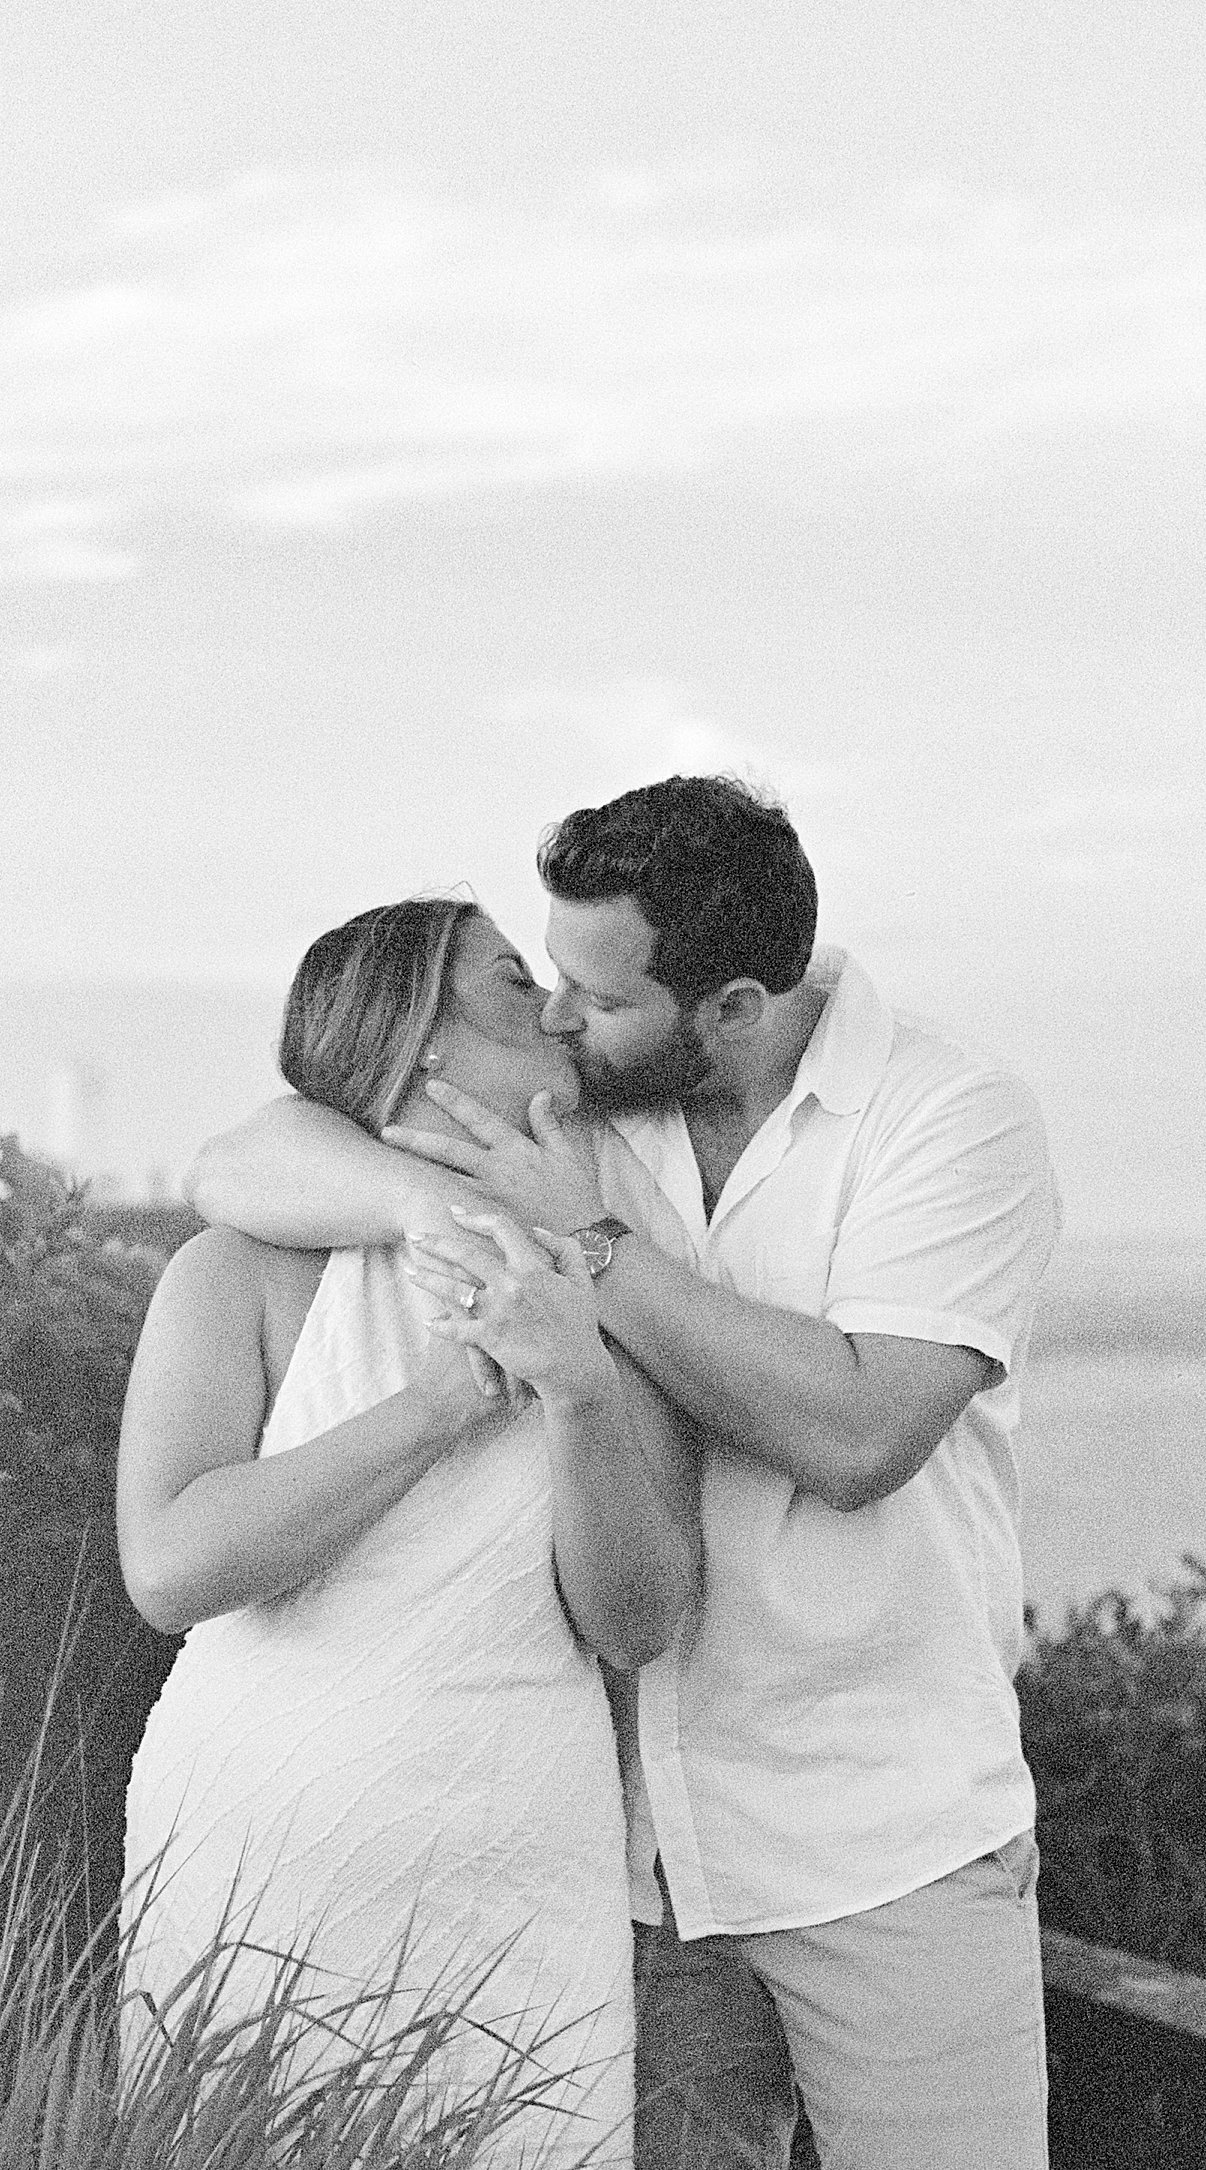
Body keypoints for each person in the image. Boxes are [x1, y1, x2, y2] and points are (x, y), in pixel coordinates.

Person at [186, 775, 1062, 2170]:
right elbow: (244, 1151)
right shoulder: (585, 1101)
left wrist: (587, 1237)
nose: (554, 1017)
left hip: (884, 1840)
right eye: (546, 976)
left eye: (595, 998)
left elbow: (857, 1438)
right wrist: (439, 1202)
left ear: (729, 1009)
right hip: (628, 1862)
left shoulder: (948, 1120)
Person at [118, 895, 702, 2169]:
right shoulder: (235, 1272)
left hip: (519, 1871)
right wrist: (437, 1406)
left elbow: (639, 1619)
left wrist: (582, 1389)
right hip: (257, 1848)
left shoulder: (599, 1276)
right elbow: (170, 1565)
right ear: (420, 1044)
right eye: (508, 982)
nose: (555, 1004)